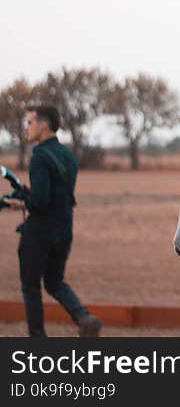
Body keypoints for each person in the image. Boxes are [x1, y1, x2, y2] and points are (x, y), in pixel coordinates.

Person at [1, 105, 102, 337]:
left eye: (29, 122)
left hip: (39, 232)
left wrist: (18, 202)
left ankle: (37, 339)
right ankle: (84, 318)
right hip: (64, 228)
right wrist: (29, 194)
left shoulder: (39, 157)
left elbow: (39, 202)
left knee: (30, 285)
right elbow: (57, 194)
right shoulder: (68, 155)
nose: (26, 127)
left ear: (43, 125)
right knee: (55, 281)